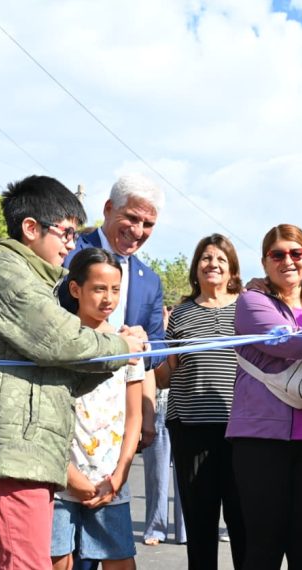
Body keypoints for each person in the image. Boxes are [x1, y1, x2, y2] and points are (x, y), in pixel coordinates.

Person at [0, 175, 145, 570]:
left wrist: (115, 355)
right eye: (67, 233)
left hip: (29, 453)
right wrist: (120, 347)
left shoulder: (35, 281)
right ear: (31, 228)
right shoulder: (7, 273)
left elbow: (58, 368)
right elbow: (60, 342)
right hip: (12, 452)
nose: (71, 244)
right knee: (26, 564)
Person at [64, 174, 185, 545]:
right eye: (131, 218)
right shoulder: (67, 254)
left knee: (110, 545)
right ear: (108, 209)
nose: (137, 230)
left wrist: (144, 345)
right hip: (67, 413)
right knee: (61, 546)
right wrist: (111, 341)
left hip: (117, 421)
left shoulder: (150, 280)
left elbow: (156, 351)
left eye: (148, 224)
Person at [228, 223, 302, 569]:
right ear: (265, 261)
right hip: (260, 438)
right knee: (264, 546)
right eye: (277, 254)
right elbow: (285, 345)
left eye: (296, 253)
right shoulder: (252, 302)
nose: (288, 261)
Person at [154, 233, 246, 569]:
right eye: (206, 258)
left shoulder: (248, 307)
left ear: (232, 269)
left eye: (221, 259)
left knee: (243, 523)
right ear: (196, 268)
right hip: (190, 429)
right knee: (200, 523)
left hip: (241, 430)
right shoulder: (180, 314)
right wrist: (149, 358)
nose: (213, 264)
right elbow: (165, 376)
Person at [52, 248, 144, 570]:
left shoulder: (129, 346)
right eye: (99, 289)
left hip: (109, 480)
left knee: (120, 559)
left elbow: (135, 417)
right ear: (76, 289)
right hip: (60, 480)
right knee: (56, 560)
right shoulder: (60, 343)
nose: (108, 298)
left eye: (115, 289)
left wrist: (119, 475)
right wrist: (68, 475)